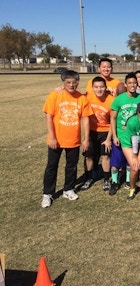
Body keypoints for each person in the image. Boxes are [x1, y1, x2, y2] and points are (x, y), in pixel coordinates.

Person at [41, 70, 92, 208]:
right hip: (56, 140)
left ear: (77, 82)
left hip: (73, 140)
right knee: (52, 167)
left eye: (73, 82)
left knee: (71, 166)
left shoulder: (81, 98)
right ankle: (47, 194)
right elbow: (48, 116)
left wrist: (86, 139)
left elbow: (86, 118)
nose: (71, 85)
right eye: (68, 82)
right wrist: (52, 137)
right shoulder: (55, 95)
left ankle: (68, 189)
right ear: (63, 83)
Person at [109, 73, 140, 196]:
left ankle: (128, 181)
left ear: (137, 84)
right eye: (130, 83)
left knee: (131, 163)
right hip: (122, 136)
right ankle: (114, 182)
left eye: (134, 83)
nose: (132, 85)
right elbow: (113, 118)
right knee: (116, 163)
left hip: (136, 137)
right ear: (125, 84)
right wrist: (114, 136)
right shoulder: (119, 99)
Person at [82, 76, 114, 191]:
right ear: (92, 88)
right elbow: (73, 95)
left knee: (106, 155)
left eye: (101, 87)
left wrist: (108, 138)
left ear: (106, 87)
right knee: (89, 155)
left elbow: (112, 121)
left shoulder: (111, 99)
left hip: (106, 131)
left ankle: (106, 179)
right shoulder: (87, 97)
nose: (99, 89)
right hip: (91, 131)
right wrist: (60, 88)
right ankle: (89, 178)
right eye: (96, 87)